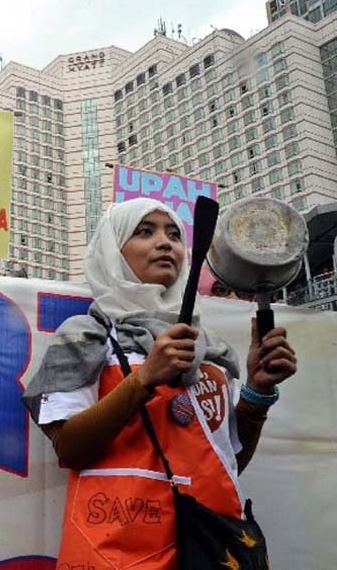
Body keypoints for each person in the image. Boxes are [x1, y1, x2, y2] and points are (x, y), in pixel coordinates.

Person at [22, 198, 297, 569]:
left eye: (173, 234)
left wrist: (257, 393)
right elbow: (69, 448)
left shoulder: (211, 351)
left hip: (214, 550)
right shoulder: (87, 337)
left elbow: (228, 463)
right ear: (112, 251)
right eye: (144, 231)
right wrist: (144, 380)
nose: (165, 243)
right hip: (116, 554)